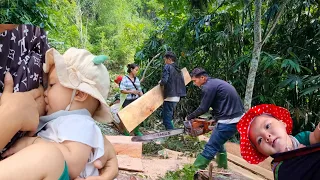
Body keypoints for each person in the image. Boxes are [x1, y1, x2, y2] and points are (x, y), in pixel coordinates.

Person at [2, 47, 118, 179]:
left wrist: (30, 143)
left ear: (79, 94)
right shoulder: (68, 121)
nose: (45, 92)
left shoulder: (80, 123)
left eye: (51, 85)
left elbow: (73, 164)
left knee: (47, 156)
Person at [237, 104, 320, 179]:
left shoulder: (302, 138)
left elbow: (316, 137)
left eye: (267, 126)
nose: (267, 137)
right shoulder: (280, 170)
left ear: (283, 123)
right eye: (259, 140)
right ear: (261, 153)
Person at [186, 68, 244, 169]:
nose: (194, 84)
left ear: (203, 78)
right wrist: (215, 119)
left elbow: (203, 108)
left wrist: (189, 117)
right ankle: (222, 166)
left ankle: (194, 170)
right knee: (218, 140)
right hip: (236, 117)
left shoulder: (208, 87)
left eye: (195, 81)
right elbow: (222, 103)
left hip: (229, 120)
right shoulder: (215, 83)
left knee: (211, 146)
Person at [159, 51, 186, 130]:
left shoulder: (168, 67)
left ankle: (170, 133)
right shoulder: (178, 69)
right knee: (168, 114)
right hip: (177, 95)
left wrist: (160, 83)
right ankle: (171, 130)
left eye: (165, 59)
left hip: (170, 95)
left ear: (169, 59)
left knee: (166, 116)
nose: (165, 61)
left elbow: (164, 81)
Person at [119, 63, 144, 136]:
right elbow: (121, 90)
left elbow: (139, 90)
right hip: (127, 100)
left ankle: (136, 130)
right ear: (131, 69)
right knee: (127, 117)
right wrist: (131, 91)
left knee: (138, 115)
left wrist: (143, 98)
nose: (137, 71)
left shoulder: (137, 79)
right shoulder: (125, 79)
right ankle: (126, 132)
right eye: (136, 70)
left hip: (136, 100)